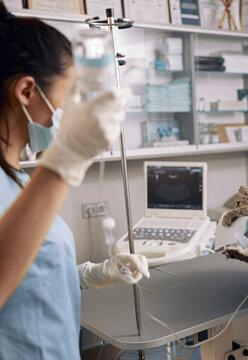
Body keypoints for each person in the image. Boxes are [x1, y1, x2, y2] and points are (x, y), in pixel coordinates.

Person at [0, 3, 149, 358]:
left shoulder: (20, 181)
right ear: (26, 92)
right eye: (69, 96)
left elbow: (32, 270)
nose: (72, 110)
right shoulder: (37, 182)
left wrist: (90, 275)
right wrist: (63, 161)